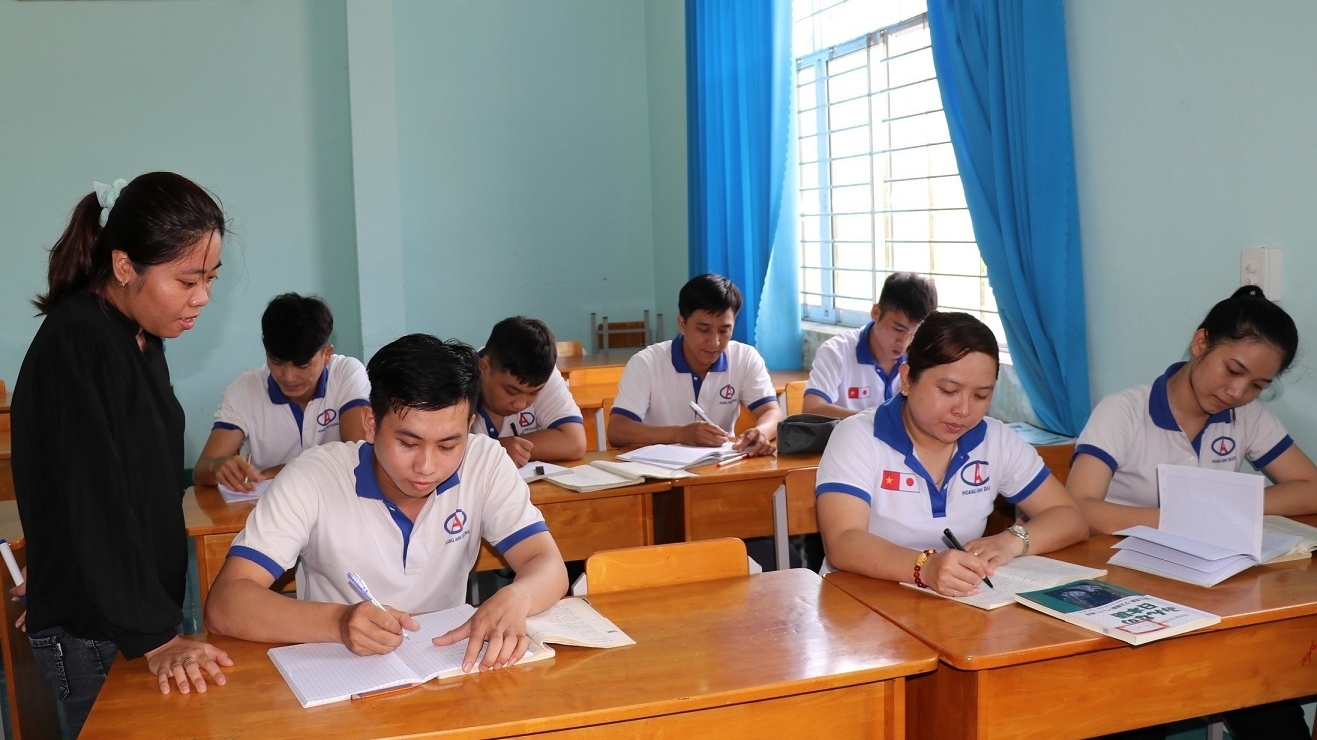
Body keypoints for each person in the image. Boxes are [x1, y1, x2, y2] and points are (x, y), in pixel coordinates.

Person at [11, 173, 233, 736]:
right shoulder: (79, 342)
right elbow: (95, 498)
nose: (202, 296)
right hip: (102, 628)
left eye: (210, 277)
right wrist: (156, 636)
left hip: (136, 613)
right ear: (125, 265)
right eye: (186, 279)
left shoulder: (139, 335)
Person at [204, 334, 569, 673]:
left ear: (469, 426)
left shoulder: (485, 462)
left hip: (447, 667)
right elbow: (224, 604)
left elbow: (548, 563)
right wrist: (340, 622)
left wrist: (517, 597)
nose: (427, 467)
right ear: (370, 423)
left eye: (448, 446)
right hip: (339, 667)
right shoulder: (312, 478)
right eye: (408, 443)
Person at [1068, 285, 1316, 740]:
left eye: (1258, 385)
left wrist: (1227, 505)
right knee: (1136, 714)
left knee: (1271, 709)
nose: (1238, 392)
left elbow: (1311, 488)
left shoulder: (1247, 418)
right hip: (1126, 598)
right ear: (1201, 343)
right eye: (1233, 370)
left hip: (1214, 597)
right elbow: (1078, 508)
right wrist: (1182, 515)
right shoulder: (1125, 412)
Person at [815, 311, 1088, 595]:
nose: (964, 410)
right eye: (948, 391)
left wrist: (1013, 541)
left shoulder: (995, 440)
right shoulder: (858, 436)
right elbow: (843, 542)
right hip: (859, 607)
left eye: (981, 396)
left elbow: (1070, 517)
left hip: (954, 608)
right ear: (907, 380)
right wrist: (925, 567)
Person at [193, 293, 370, 491]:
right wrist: (215, 466)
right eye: (276, 362)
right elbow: (200, 471)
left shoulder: (346, 374)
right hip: (269, 509)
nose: (288, 377)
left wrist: (275, 474)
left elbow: (357, 454)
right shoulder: (244, 389)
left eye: (302, 366)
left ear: (326, 354)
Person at [608, 274, 782, 456]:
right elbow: (618, 430)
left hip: (719, 466)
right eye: (704, 330)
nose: (714, 342)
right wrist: (680, 434)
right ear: (682, 324)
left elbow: (772, 413)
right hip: (660, 469)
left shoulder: (744, 358)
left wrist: (761, 432)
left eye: (724, 331)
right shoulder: (646, 363)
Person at [803, 272, 938, 418]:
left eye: (914, 334)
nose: (905, 342)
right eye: (898, 329)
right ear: (876, 313)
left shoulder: (923, 357)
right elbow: (812, 409)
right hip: (847, 440)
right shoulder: (837, 351)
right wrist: (877, 422)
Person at [473, 316, 586, 466]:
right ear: (484, 367)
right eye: (511, 391)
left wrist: (505, 449)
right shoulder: (457, 381)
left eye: (533, 393)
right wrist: (495, 450)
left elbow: (575, 442)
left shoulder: (540, 373)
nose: (520, 404)